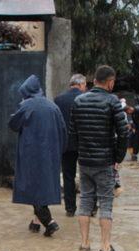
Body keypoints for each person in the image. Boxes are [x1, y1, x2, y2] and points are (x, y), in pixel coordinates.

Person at [69, 65, 129, 251]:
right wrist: (117, 158)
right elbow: (123, 132)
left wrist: (82, 153)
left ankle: (84, 245)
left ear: (94, 81)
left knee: (85, 200)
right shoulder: (112, 102)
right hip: (104, 162)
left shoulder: (78, 101)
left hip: (84, 161)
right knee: (106, 203)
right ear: (110, 82)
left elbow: (73, 133)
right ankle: (104, 247)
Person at [9, 75, 66, 237]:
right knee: (43, 186)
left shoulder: (27, 106)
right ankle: (36, 222)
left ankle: (49, 222)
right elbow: (63, 131)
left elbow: (13, 124)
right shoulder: (53, 106)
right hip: (50, 154)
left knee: (32, 186)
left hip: (31, 155)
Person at [55, 74, 87, 217]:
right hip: (85, 144)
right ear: (80, 85)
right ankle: (89, 208)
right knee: (87, 175)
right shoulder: (86, 99)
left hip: (66, 144)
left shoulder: (58, 100)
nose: (85, 88)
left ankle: (70, 208)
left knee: (68, 176)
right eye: (85, 85)